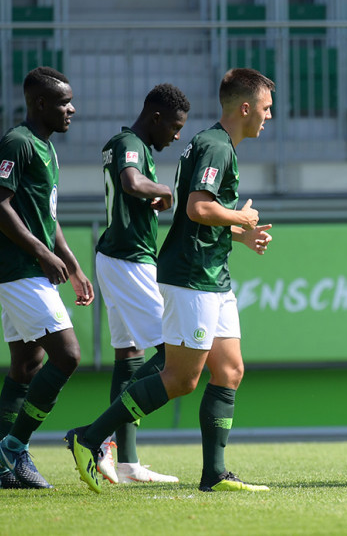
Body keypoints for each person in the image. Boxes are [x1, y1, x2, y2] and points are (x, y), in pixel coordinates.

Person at [66, 68, 275, 494]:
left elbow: (190, 217)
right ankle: (89, 437)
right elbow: (198, 208)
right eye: (266, 109)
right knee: (181, 378)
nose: (270, 117)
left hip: (214, 276)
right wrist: (241, 216)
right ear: (246, 108)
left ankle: (214, 473)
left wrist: (240, 233)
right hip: (192, 279)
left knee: (230, 370)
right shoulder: (216, 146)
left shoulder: (214, 145)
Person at [0, 67, 93, 489]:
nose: (71, 108)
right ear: (39, 103)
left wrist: (70, 263)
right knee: (67, 355)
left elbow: (46, 216)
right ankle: (14, 446)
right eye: (62, 101)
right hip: (19, 269)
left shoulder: (46, 148)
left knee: (27, 363)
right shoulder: (17, 142)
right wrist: (40, 253)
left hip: (29, 268)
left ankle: (3, 463)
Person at [93, 83, 190, 485]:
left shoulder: (134, 144)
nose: (177, 134)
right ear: (155, 117)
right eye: (175, 125)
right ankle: (98, 438)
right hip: (129, 260)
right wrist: (165, 189)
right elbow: (132, 182)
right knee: (173, 352)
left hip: (117, 258)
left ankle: (127, 462)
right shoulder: (128, 142)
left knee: (128, 353)